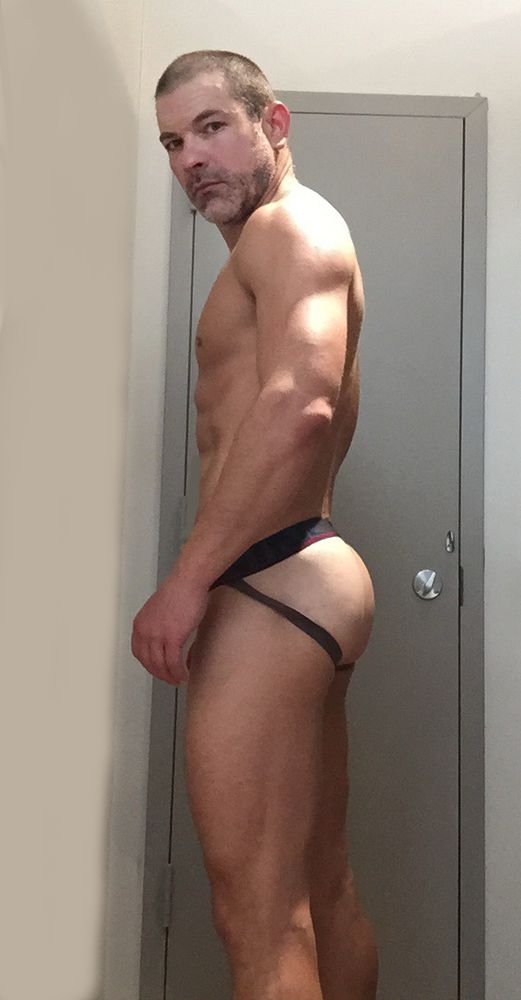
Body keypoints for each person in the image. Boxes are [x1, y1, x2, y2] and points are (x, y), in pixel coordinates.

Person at [131, 49, 378, 1000]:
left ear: (272, 124)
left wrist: (186, 581)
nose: (190, 159)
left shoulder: (287, 228)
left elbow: (299, 405)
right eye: (171, 143)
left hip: (270, 581)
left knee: (258, 919)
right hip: (305, 576)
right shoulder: (286, 240)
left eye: (211, 128)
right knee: (320, 883)